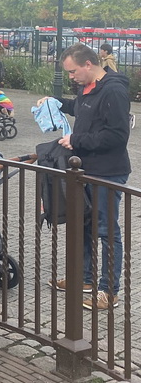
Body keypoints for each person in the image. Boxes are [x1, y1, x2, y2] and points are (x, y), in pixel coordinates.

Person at [40, 44, 131, 310]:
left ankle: (109, 290)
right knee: (84, 225)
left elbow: (117, 135)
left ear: (88, 65)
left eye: (72, 71)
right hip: (83, 169)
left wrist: (76, 140)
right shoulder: (87, 87)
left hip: (107, 171)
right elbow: (82, 109)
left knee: (106, 230)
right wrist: (57, 103)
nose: (70, 77)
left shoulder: (113, 90)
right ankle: (85, 279)